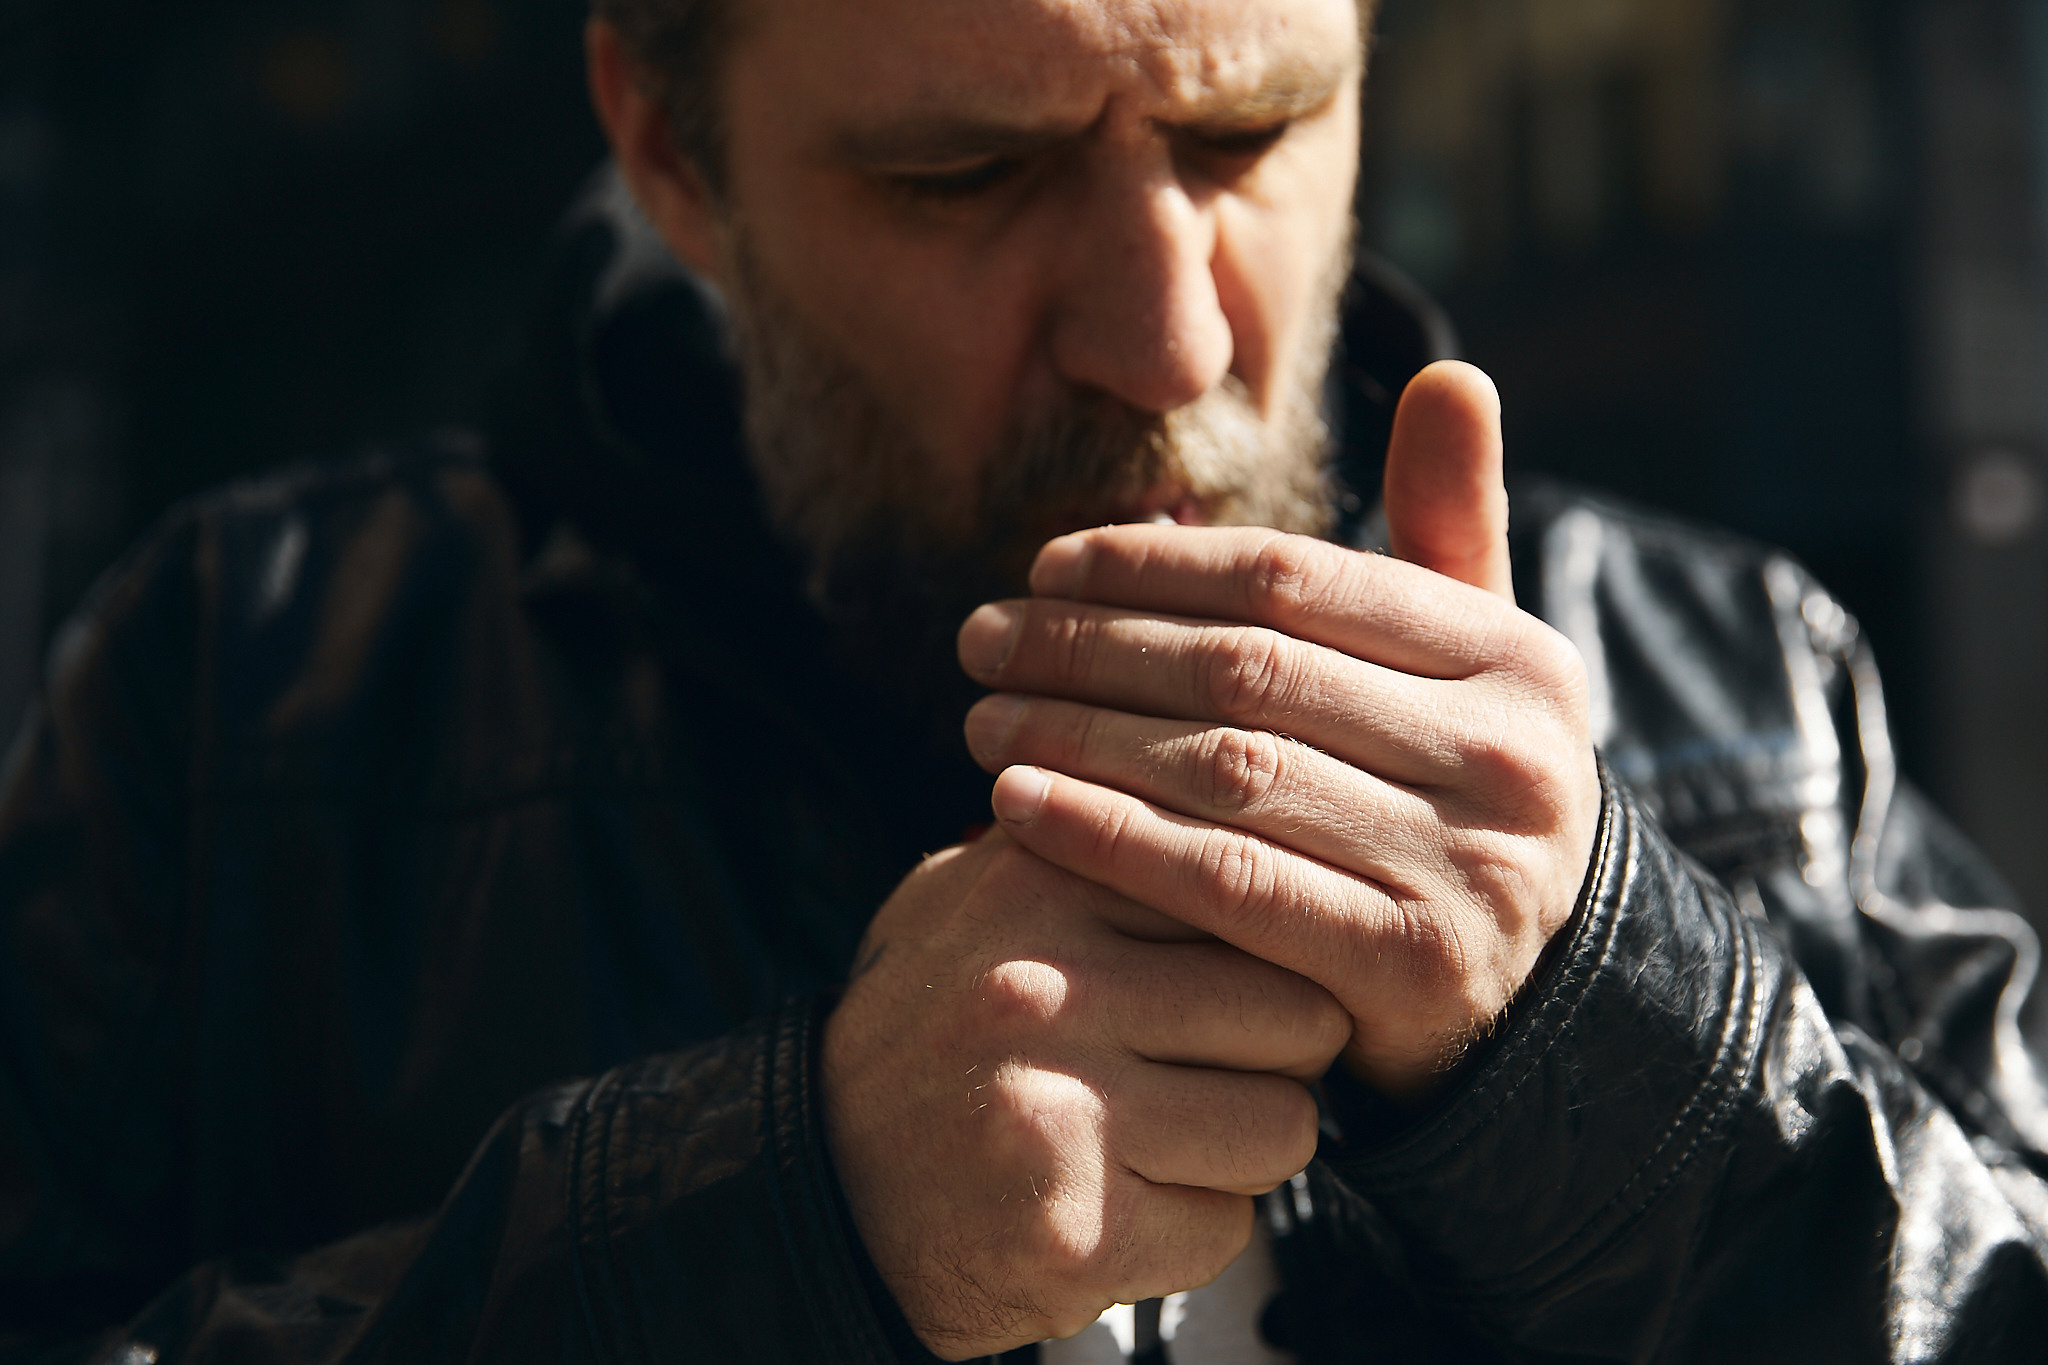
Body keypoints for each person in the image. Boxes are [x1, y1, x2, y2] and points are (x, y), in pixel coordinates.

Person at [2, 0, 2045, 1360]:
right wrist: (780, 1212)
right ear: (668, 147)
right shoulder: (248, 700)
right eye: (960, 179)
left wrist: (1601, 1038)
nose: (1166, 338)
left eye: (1250, 132)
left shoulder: (1743, 694)